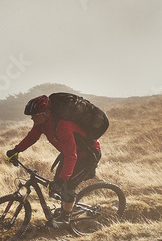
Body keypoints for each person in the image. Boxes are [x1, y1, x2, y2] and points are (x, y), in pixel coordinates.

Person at [5, 95, 101, 224]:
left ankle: (65, 218)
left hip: (87, 156)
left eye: (35, 115)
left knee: (68, 185)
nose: (32, 118)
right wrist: (16, 150)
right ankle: (69, 205)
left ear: (46, 113)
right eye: (31, 116)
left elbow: (71, 156)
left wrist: (63, 179)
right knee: (58, 185)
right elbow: (32, 137)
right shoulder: (42, 123)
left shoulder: (62, 126)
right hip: (70, 154)